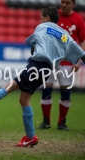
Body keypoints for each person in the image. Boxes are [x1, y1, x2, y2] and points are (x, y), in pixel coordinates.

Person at [0, 7, 85, 147]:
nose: (40, 20)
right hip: (47, 70)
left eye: (41, 17)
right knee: (24, 99)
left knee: (7, 87)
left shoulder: (42, 27)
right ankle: (30, 136)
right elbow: (81, 53)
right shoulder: (66, 37)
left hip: (36, 65)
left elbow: (32, 43)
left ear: (47, 19)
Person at [38, 0, 85, 130]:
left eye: (67, 2)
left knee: (65, 92)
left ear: (74, 4)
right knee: (46, 90)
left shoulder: (78, 20)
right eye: (62, 2)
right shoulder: (53, 16)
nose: (64, 5)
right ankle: (46, 121)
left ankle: (61, 122)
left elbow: (82, 41)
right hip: (50, 61)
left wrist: (79, 60)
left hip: (67, 62)